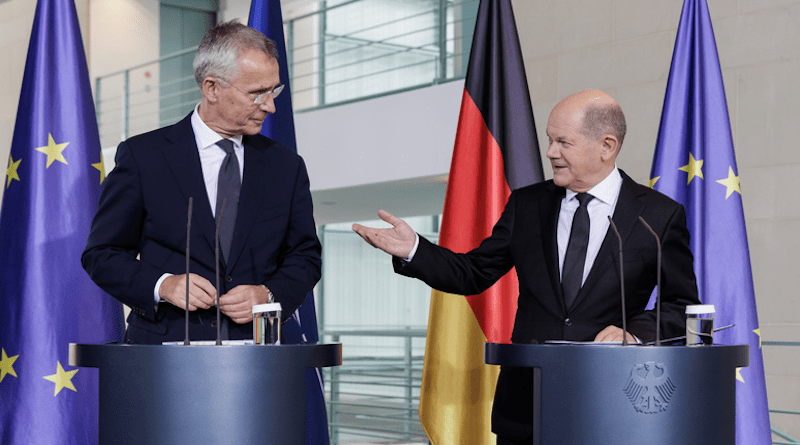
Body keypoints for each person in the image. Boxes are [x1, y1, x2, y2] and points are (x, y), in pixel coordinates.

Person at [352, 89, 700, 444]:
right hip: (524, 407)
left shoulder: (657, 216)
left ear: (606, 146)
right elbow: (472, 273)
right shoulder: (526, 205)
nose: (550, 152)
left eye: (563, 142)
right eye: (549, 139)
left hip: (610, 401)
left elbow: (681, 306)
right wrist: (414, 249)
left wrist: (633, 332)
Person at [82, 21, 321, 344]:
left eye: (274, 90)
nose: (270, 105)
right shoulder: (143, 157)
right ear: (212, 88)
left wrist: (268, 293)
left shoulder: (286, 166)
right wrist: (163, 285)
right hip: (162, 357)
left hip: (260, 359)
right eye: (257, 94)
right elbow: (103, 253)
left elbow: (305, 257)